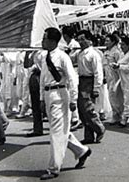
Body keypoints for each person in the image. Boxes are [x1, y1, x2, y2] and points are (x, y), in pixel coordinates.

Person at [39, 27, 91, 180]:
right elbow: (43, 78)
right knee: (60, 130)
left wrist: (73, 100)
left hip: (60, 94)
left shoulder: (62, 57)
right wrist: (42, 99)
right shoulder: (45, 56)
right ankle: (82, 151)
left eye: (45, 38)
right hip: (49, 94)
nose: (42, 41)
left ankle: (53, 168)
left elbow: (72, 79)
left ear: (52, 41)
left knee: (56, 132)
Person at [76, 30, 106, 144]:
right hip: (82, 80)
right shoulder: (80, 54)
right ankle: (89, 136)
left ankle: (99, 128)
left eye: (83, 39)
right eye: (79, 40)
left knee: (88, 108)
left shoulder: (93, 54)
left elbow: (98, 72)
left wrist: (96, 88)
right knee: (82, 110)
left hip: (90, 81)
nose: (81, 42)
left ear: (89, 40)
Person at [61, 26, 82, 130]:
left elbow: (73, 59)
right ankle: (73, 117)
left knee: (73, 94)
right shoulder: (67, 45)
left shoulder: (75, 45)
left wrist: (67, 54)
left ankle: (76, 118)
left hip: (74, 70)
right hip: (68, 71)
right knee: (69, 94)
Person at [103, 34, 124, 124]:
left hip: (116, 76)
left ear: (113, 41)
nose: (106, 42)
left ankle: (120, 115)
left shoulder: (117, 52)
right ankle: (116, 115)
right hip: (108, 76)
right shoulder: (106, 52)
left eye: (108, 41)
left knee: (117, 96)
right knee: (111, 96)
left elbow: (120, 64)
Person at [24, 50, 45, 136]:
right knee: (35, 104)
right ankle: (37, 128)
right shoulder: (33, 53)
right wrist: (27, 54)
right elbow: (26, 65)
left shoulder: (44, 53)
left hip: (42, 76)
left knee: (44, 103)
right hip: (34, 77)